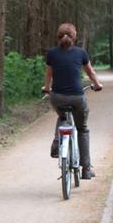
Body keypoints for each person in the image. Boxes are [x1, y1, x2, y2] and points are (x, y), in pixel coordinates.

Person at [41, 23, 102, 179]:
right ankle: (86, 170)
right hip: (77, 97)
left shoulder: (52, 54)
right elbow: (91, 73)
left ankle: (57, 142)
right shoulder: (81, 53)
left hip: (57, 97)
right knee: (82, 129)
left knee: (61, 116)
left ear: (58, 37)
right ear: (74, 37)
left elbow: (49, 75)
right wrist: (97, 85)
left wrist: (47, 88)